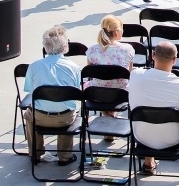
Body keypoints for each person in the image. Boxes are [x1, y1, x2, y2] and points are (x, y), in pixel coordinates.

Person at [128, 41, 179, 175]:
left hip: (141, 137)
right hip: (173, 139)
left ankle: (148, 162)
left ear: (153, 55)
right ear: (174, 60)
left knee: (149, 109)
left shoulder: (135, 75)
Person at [24, 26, 82, 166]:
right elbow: (77, 92)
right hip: (64, 119)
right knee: (69, 107)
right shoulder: (74, 67)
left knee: (28, 114)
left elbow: (30, 90)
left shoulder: (34, 66)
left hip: (40, 118)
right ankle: (64, 155)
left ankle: (35, 153)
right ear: (64, 46)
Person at [85, 16, 134, 90]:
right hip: (120, 94)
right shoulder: (128, 49)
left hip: (96, 94)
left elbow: (90, 73)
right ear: (116, 32)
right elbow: (129, 73)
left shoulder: (92, 50)